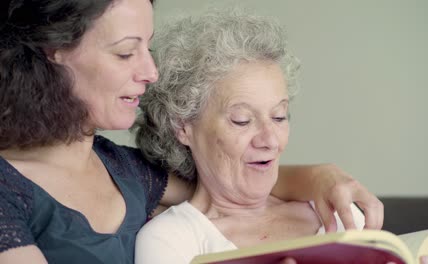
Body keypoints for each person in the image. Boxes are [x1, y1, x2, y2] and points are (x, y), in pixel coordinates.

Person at [0, 0, 383, 263]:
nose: (151, 72)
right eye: (125, 52)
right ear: (54, 51)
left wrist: (323, 174)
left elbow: (233, 179)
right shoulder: (8, 194)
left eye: (148, 48)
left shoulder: (126, 169)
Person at [133, 9, 428, 264]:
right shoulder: (171, 240)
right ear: (183, 126)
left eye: (280, 116)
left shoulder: (339, 213)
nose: (270, 138)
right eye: (242, 120)